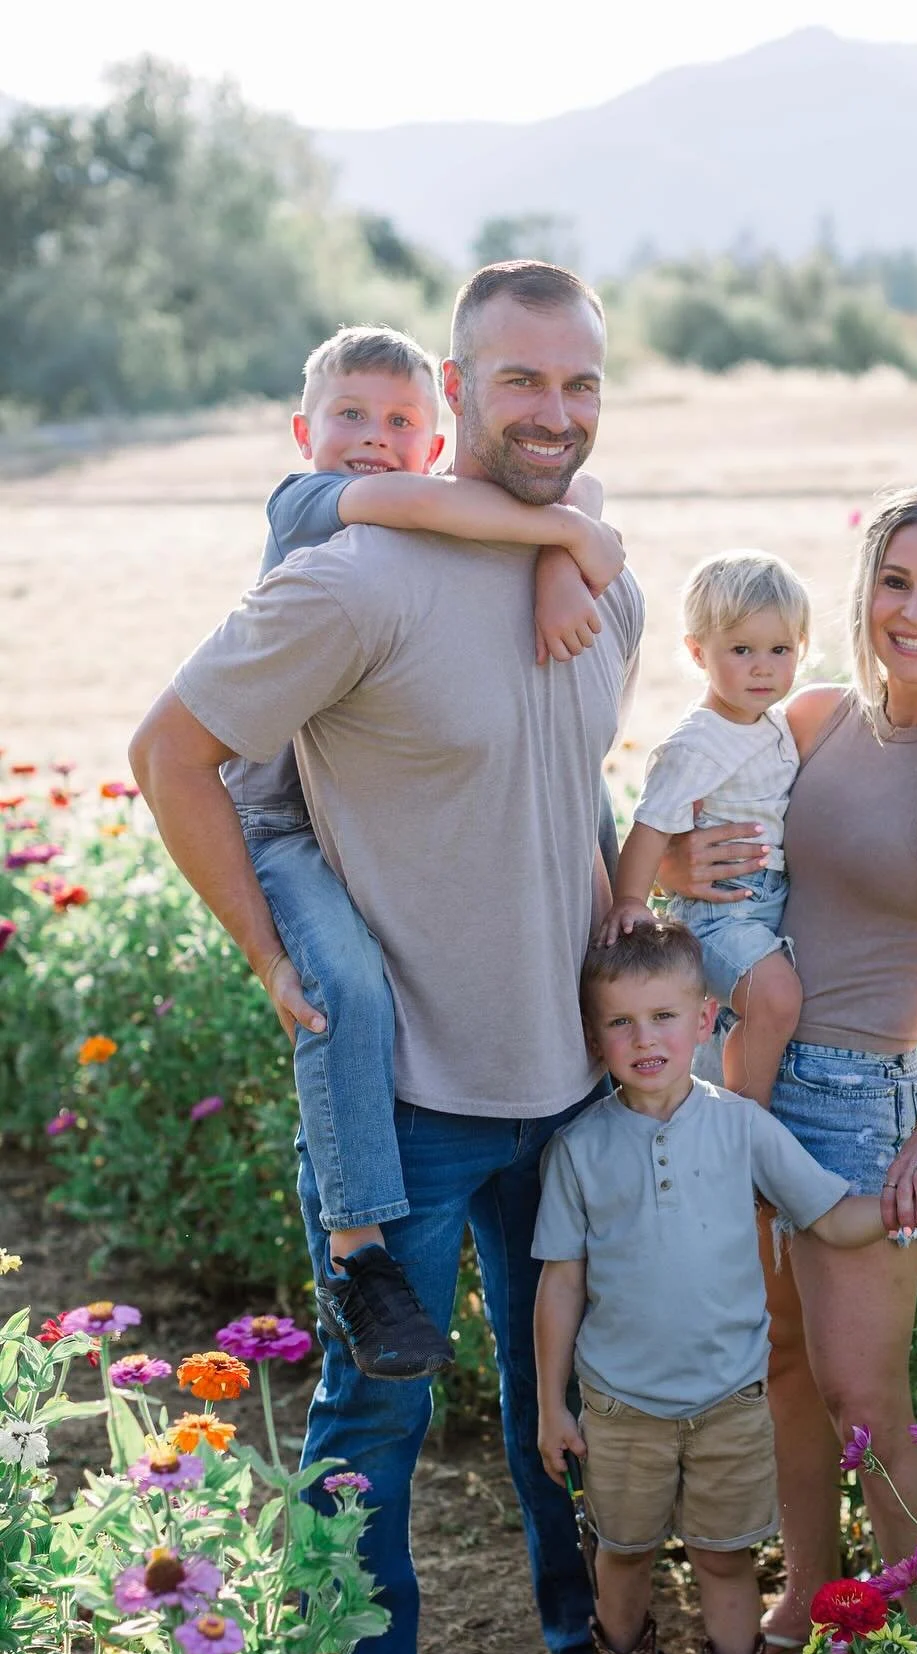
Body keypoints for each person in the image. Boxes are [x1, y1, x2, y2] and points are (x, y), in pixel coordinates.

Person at [130, 260, 655, 1654]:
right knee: (376, 1417)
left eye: (581, 381)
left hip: (570, 1088)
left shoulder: (603, 582)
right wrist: (272, 951)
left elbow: (570, 793)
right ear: (459, 389)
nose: (554, 410)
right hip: (414, 1093)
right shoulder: (350, 578)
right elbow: (171, 758)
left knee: (575, 1400)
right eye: (523, 379)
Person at [656, 487, 917, 1653]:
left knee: (867, 1400)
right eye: (897, 581)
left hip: (861, 1103)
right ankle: (809, 1597)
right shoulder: (813, 721)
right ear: (865, 592)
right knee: (777, 1361)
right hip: (745, 1073)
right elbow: (723, 866)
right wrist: (682, 866)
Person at [232, 322, 626, 1380]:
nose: (373, 437)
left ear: (436, 427)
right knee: (347, 993)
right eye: (350, 415)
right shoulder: (306, 502)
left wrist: (561, 549)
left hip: (366, 823)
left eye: (401, 421)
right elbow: (438, 500)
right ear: (303, 428)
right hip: (282, 827)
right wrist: (570, 537)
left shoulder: (456, 532)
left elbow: (556, 499)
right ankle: (357, 1251)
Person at [532, 921, 917, 1654]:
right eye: (619, 1023)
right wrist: (550, 1404)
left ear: (706, 1021)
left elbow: (830, 1218)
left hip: (729, 1401)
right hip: (619, 1405)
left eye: (663, 1016)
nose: (644, 1040)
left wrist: (905, 1204)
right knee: (623, 1557)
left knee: (728, 1563)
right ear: (592, 1036)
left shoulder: (743, 1130)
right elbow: (561, 1284)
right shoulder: (579, 1149)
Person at [598, 551, 808, 1104]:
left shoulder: (773, 724)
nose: (762, 667)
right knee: (776, 996)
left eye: (780, 650)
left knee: (736, 1023)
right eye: (741, 650)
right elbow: (652, 823)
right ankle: (749, 1110)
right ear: (697, 652)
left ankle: (723, 1096)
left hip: (764, 905)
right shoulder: (700, 740)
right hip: (719, 916)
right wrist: (630, 900)